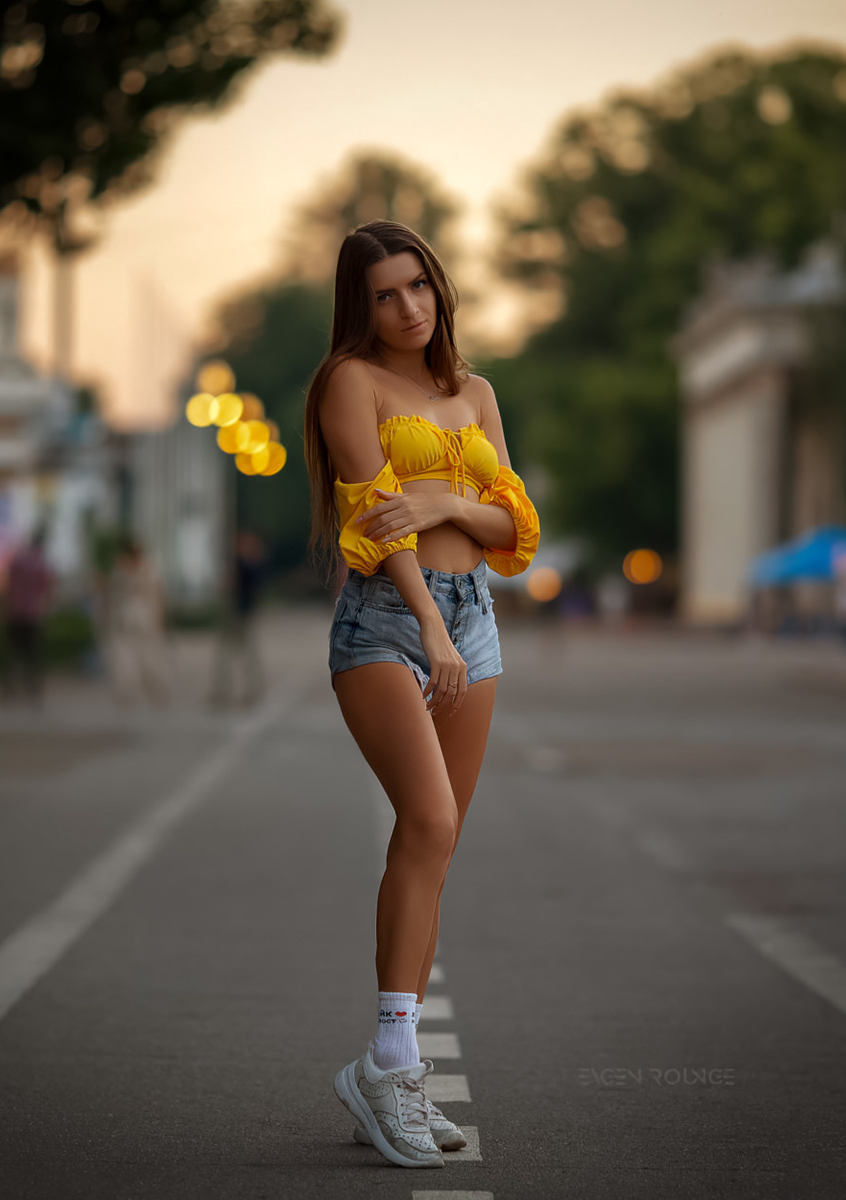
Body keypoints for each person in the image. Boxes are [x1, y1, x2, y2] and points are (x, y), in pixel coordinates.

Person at [307, 221, 540, 1168]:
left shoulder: (474, 392)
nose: (407, 308)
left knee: (432, 846)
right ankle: (393, 1065)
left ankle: (386, 1073)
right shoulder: (348, 384)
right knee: (432, 820)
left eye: (418, 288)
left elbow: (514, 523)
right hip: (386, 621)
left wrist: (448, 503)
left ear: (439, 289)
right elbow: (373, 517)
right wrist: (429, 626)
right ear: (359, 308)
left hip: (475, 617)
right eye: (384, 296)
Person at [106, 537, 170, 706]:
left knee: (150, 658)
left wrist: (159, 618)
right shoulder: (120, 570)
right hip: (126, 619)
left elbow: (158, 593)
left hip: (146, 618)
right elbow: (114, 595)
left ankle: (156, 691)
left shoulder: (149, 568)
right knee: (124, 659)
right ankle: (126, 692)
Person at [209, 528, 267, 707]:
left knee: (247, 653)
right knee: (228, 653)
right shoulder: (243, 563)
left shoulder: (249, 565)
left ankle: (251, 688)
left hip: (243, 614)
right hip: (235, 612)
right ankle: (224, 689)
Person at [3, 530, 55, 703]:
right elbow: (46, 588)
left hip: (14, 613)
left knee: (13, 653)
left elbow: (7, 585)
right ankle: (32, 690)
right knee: (33, 655)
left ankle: (9, 690)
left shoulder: (17, 561)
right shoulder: (41, 563)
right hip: (33, 614)